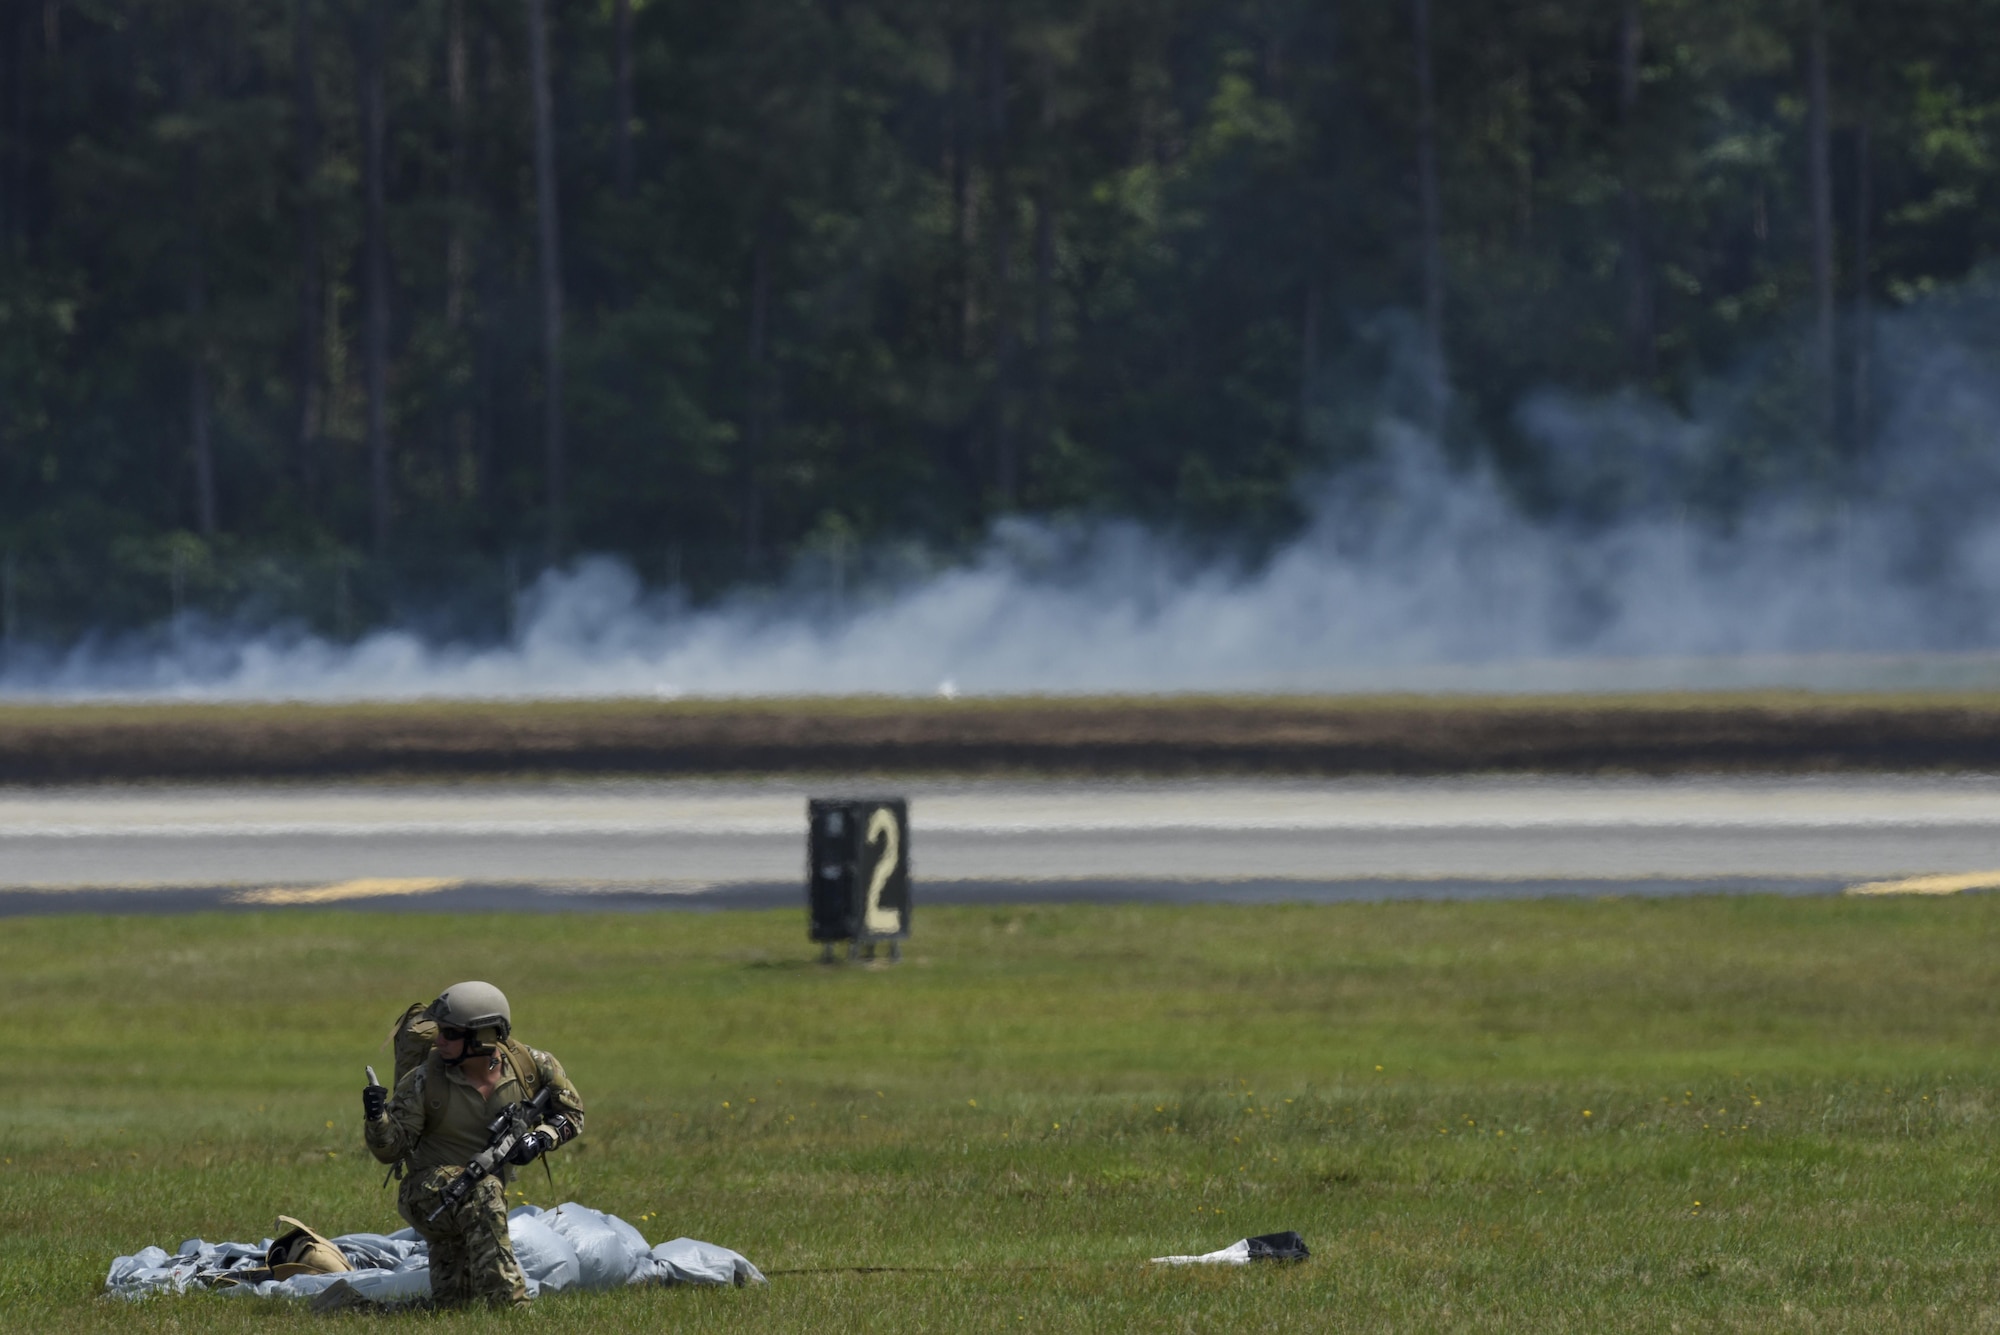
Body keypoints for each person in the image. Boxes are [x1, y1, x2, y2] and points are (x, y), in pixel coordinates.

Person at [361, 980, 586, 1307]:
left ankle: (353, 1304)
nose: (440, 1040)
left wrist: (540, 1139)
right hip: (429, 1196)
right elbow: (391, 1150)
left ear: (484, 1035)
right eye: (440, 1030)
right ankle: (513, 1308)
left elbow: (573, 1113)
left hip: (475, 1208)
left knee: (454, 1305)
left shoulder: (532, 1065)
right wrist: (376, 1118)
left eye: (451, 1033)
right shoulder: (424, 1080)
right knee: (485, 1191)